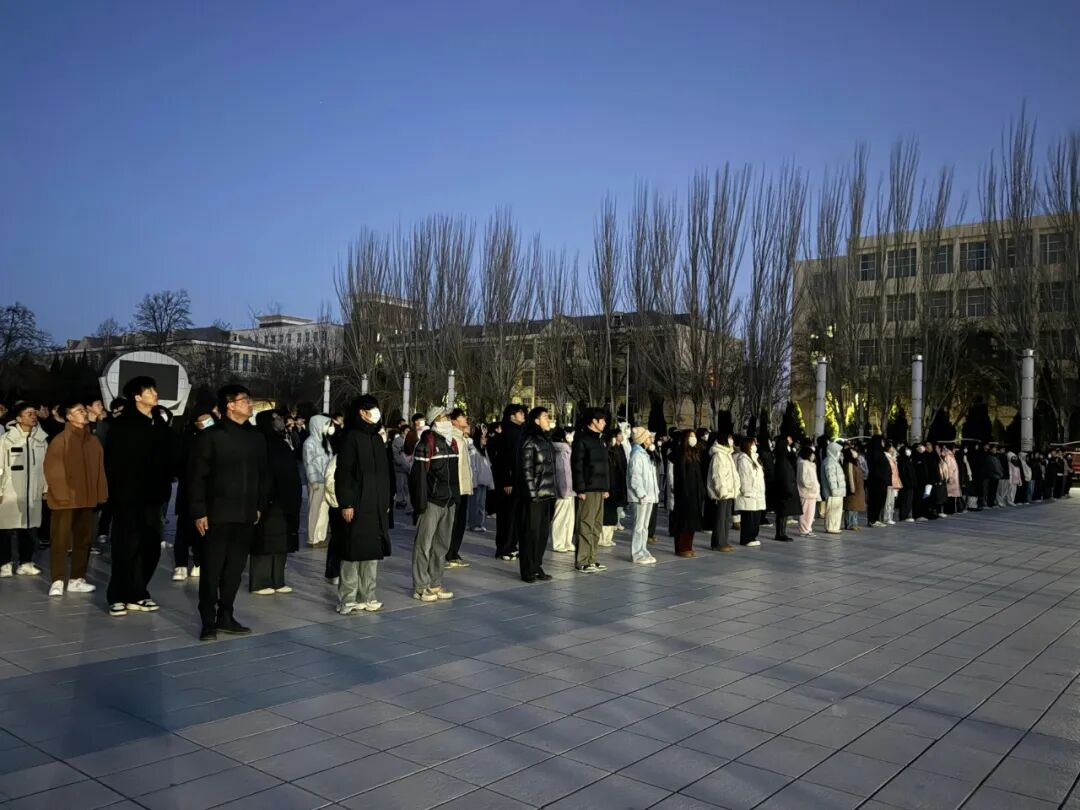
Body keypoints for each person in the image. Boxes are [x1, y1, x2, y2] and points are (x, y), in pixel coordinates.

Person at [189, 385, 268, 641]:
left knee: (235, 569)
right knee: (212, 569)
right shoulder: (211, 436)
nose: (250, 404)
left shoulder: (256, 437)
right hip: (216, 514)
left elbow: (263, 474)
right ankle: (208, 620)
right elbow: (197, 477)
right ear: (230, 405)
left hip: (245, 514)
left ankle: (226, 615)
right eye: (245, 400)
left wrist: (259, 506)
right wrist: (199, 511)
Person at [104, 376, 176, 616]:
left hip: (154, 497)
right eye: (149, 390)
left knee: (151, 547)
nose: (155, 393)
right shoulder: (123, 426)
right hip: (127, 497)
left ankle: (138, 592)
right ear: (137, 397)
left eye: (154, 389)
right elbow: (113, 463)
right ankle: (117, 595)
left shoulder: (159, 423)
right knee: (126, 547)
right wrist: (116, 494)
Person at [333, 395, 392, 614]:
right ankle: (347, 598)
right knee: (352, 551)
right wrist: (346, 502)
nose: (376, 412)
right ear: (361, 412)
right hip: (357, 502)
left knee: (371, 552)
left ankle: (368, 595)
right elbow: (344, 473)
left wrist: (386, 499)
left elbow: (385, 473)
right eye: (371, 408)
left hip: (376, 504)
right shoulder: (351, 437)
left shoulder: (376, 438)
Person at [43, 401, 107, 596]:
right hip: (64, 500)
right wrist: (62, 495)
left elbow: (100, 470)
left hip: (86, 498)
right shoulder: (60, 440)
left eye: (84, 410)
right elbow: (53, 470)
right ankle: (57, 579)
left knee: (83, 540)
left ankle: (77, 579)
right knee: (60, 541)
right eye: (79, 411)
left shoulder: (93, 441)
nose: (84, 414)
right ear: (69, 417)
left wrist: (100, 493)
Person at [410, 406, 459, 602]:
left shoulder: (452, 442)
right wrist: (420, 504)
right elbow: (418, 476)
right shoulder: (426, 442)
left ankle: (435, 583)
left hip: (449, 501)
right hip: (431, 502)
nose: (447, 420)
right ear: (434, 421)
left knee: (441, 546)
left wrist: (456, 498)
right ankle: (420, 586)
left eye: (447, 417)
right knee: (424, 545)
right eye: (443, 417)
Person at [249, 410, 301, 595]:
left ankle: (277, 579)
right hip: (267, 498)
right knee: (265, 539)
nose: (279, 421)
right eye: (275, 419)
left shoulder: (282, 442)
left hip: (285, 498)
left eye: (280, 418)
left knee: (281, 539)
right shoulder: (260, 442)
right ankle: (260, 581)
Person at [0, 402, 47, 576]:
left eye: (34, 413)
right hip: (10, 491)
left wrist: (45, 488)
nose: (33, 417)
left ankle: (25, 562)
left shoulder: (40, 440)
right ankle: (5, 563)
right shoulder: (6, 440)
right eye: (29, 414)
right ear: (18, 419)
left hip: (32, 491)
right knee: (5, 527)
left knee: (28, 527)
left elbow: (45, 467)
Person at [173, 399, 215, 580]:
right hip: (188, 490)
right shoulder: (187, 439)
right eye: (202, 419)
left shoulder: (215, 438)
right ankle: (180, 564)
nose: (206, 422)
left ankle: (198, 562)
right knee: (184, 528)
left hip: (208, 492)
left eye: (208, 418)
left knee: (202, 531)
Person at [517, 406, 556, 582]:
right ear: (536, 420)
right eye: (545, 417)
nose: (548, 420)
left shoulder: (546, 440)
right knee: (530, 533)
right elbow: (526, 470)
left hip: (547, 493)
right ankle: (527, 569)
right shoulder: (530, 441)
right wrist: (532, 494)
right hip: (534, 496)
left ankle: (537, 565)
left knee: (542, 534)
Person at [571, 407, 609, 572]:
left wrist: (606, 487)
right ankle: (582, 561)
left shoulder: (601, 440)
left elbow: (606, 466)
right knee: (585, 524)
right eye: (602, 420)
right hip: (587, 488)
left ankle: (592, 558)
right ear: (594, 421)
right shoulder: (582, 439)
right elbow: (577, 465)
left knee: (597, 524)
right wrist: (580, 489)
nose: (605, 423)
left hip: (599, 488)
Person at [491, 404, 525, 561]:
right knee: (507, 515)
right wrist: (507, 481)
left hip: (517, 480)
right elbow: (504, 459)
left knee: (515, 515)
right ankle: (504, 548)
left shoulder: (519, 431)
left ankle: (512, 546)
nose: (523, 415)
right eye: (520, 413)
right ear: (512, 416)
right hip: (508, 481)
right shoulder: (507, 433)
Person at [670, 429, 705, 557]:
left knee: (692, 522)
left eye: (694, 436)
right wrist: (683, 491)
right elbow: (680, 476)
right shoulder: (680, 453)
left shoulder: (694, 453)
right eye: (691, 436)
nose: (693, 438)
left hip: (694, 493)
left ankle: (689, 546)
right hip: (684, 493)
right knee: (683, 521)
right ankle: (681, 547)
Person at [626, 427, 659, 564]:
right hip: (641, 497)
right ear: (642, 439)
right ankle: (637, 554)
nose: (651, 439)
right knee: (639, 527)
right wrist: (641, 494)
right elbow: (635, 477)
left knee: (645, 527)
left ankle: (643, 550)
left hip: (649, 495)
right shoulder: (637, 455)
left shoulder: (645, 454)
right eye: (648, 437)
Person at [446, 409, 474, 569]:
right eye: (462, 416)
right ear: (454, 421)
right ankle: (448, 553)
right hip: (456, 486)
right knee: (453, 522)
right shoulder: (451, 438)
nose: (465, 419)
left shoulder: (462, 438)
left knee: (460, 522)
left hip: (464, 487)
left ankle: (454, 552)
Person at [302, 415, 334, 547]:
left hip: (326, 481)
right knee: (314, 510)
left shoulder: (325, 442)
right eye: (326, 424)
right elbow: (308, 463)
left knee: (324, 510)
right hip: (317, 482)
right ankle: (312, 538)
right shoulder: (309, 443)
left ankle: (321, 536)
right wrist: (313, 480)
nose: (329, 427)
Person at [706, 433, 738, 552]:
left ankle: (724, 540)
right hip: (722, 492)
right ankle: (718, 542)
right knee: (720, 517)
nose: (731, 440)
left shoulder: (727, 454)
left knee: (726, 517)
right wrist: (721, 490)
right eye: (729, 438)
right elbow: (718, 475)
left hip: (730, 490)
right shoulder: (719, 455)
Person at [734, 438, 765, 547]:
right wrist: (747, 491)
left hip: (757, 493)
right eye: (753, 444)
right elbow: (744, 477)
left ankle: (753, 537)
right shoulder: (743, 459)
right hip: (748, 493)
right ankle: (746, 539)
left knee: (755, 518)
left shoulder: (754, 458)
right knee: (748, 518)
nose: (755, 445)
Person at [600, 428, 628, 547]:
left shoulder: (619, 449)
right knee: (607, 512)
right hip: (609, 485)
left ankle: (609, 537)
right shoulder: (607, 451)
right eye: (619, 434)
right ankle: (602, 538)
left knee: (613, 512)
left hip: (617, 484)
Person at [550, 428, 575, 553]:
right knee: (561, 517)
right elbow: (562, 471)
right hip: (564, 488)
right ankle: (559, 543)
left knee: (569, 518)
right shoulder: (562, 450)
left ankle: (567, 541)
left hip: (569, 488)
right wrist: (563, 489)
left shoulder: (566, 449)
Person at [771, 435, 799, 542]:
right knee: (782, 513)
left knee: (784, 513)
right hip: (783, 490)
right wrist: (787, 489)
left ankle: (782, 533)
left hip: (784, 489)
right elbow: (783, 476)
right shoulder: (782, 460)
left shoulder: (784, 458)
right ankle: (780, 533)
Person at [469, 427, 494, 531]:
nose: (485, 439)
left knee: (481, 504)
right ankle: (473, 524)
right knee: (475, 503)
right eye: (483, 437)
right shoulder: (474, 450)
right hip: (477, 481)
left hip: (484, 481)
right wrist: (474, 481)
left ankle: (479, 523)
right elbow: (472, 466)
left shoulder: (484, 450)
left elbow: (488, 466)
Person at [820, 441, 845, 534]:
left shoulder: (832, 461)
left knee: (836, 510)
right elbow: (831, 478)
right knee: (832, 511)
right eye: (838, 451)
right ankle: (831, 527)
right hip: (833, 492)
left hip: (836, 491)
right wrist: (834, 491)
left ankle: (834, 526)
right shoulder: (830, 462)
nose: (839, 453)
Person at [796, 445, 820, 537]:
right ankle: (804, 530)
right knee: (805, 513)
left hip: (811, 493)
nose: (813, 455)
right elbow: (804, 479)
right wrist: (812, 486)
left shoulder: (809, 464)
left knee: (810, 514)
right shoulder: (803, 464)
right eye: (811, 453)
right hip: (806, 492)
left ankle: (808, 529)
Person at [842, 445, 865, 530]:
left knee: (855, 507)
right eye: (853, 451)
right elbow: (850, 477)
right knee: (850, 507)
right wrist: (852, 489)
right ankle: (849, 524)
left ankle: (854, 523)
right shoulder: (849, 464)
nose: (855, 453)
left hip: (858, 488)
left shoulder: (856, 462)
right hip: (853, 489)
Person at [884, 442, 901, 524]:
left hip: (894, 482)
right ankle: (887, 517)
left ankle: (890, 517)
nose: (894, 449)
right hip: (889, 482)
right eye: (892, 447)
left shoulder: (892, 458)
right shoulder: (887, 457)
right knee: (888, 501)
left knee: (892, 501)